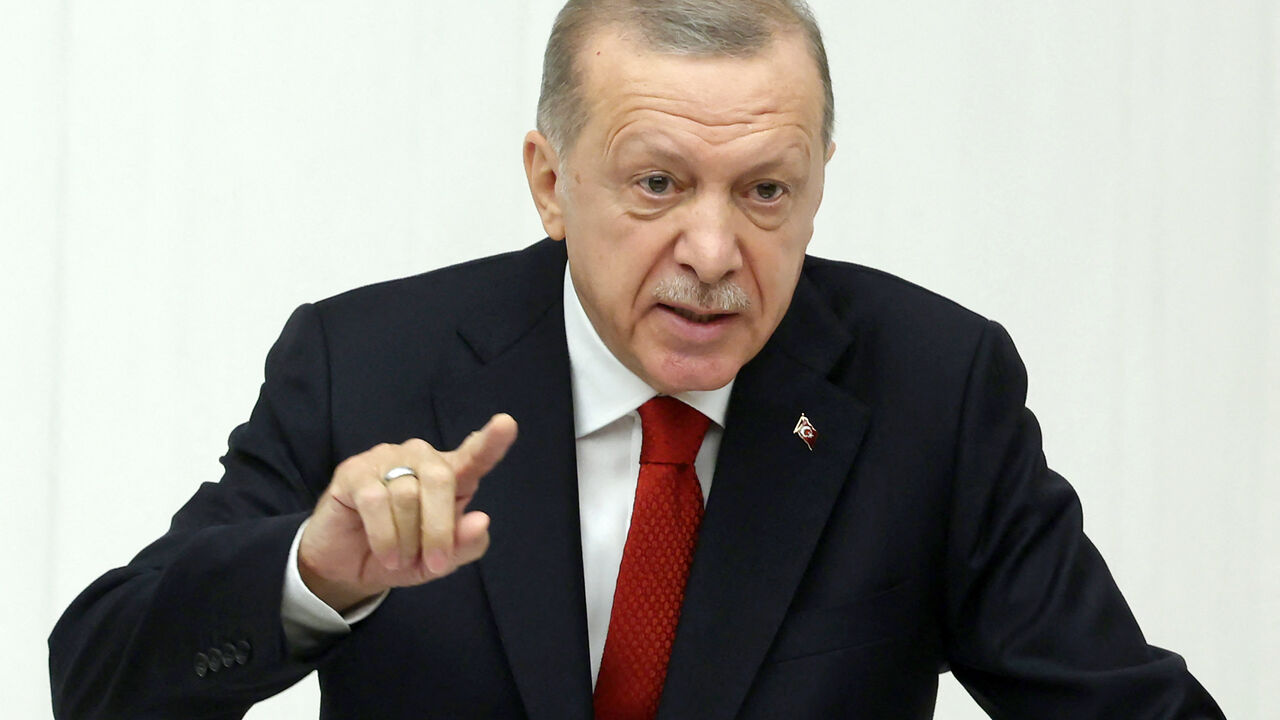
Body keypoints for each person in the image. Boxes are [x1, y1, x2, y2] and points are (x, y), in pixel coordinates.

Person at [49, 1, 1224, 718]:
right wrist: (314, 570)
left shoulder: (931, 389)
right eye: (656, 183)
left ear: (819, 181)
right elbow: (97, 683)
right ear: (551, 183)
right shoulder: (369, 366)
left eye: (765, 191)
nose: (713, 250)